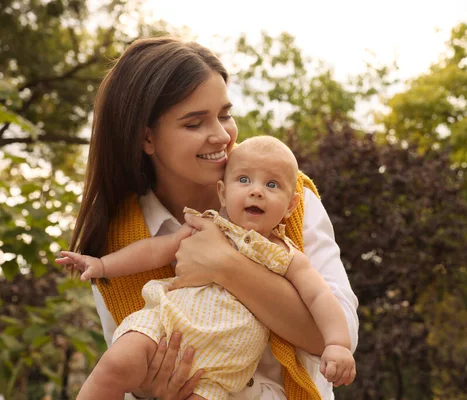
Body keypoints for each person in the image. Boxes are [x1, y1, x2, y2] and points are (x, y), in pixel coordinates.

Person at [68, 36, 358, 400]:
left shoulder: (286, 198)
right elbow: (131, 369)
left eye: (225, 114)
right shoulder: (118, 240)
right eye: (194, 123)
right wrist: (149, 391)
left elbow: (337, 332)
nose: (221, 135)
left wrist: (226, 266)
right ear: (147, 138)